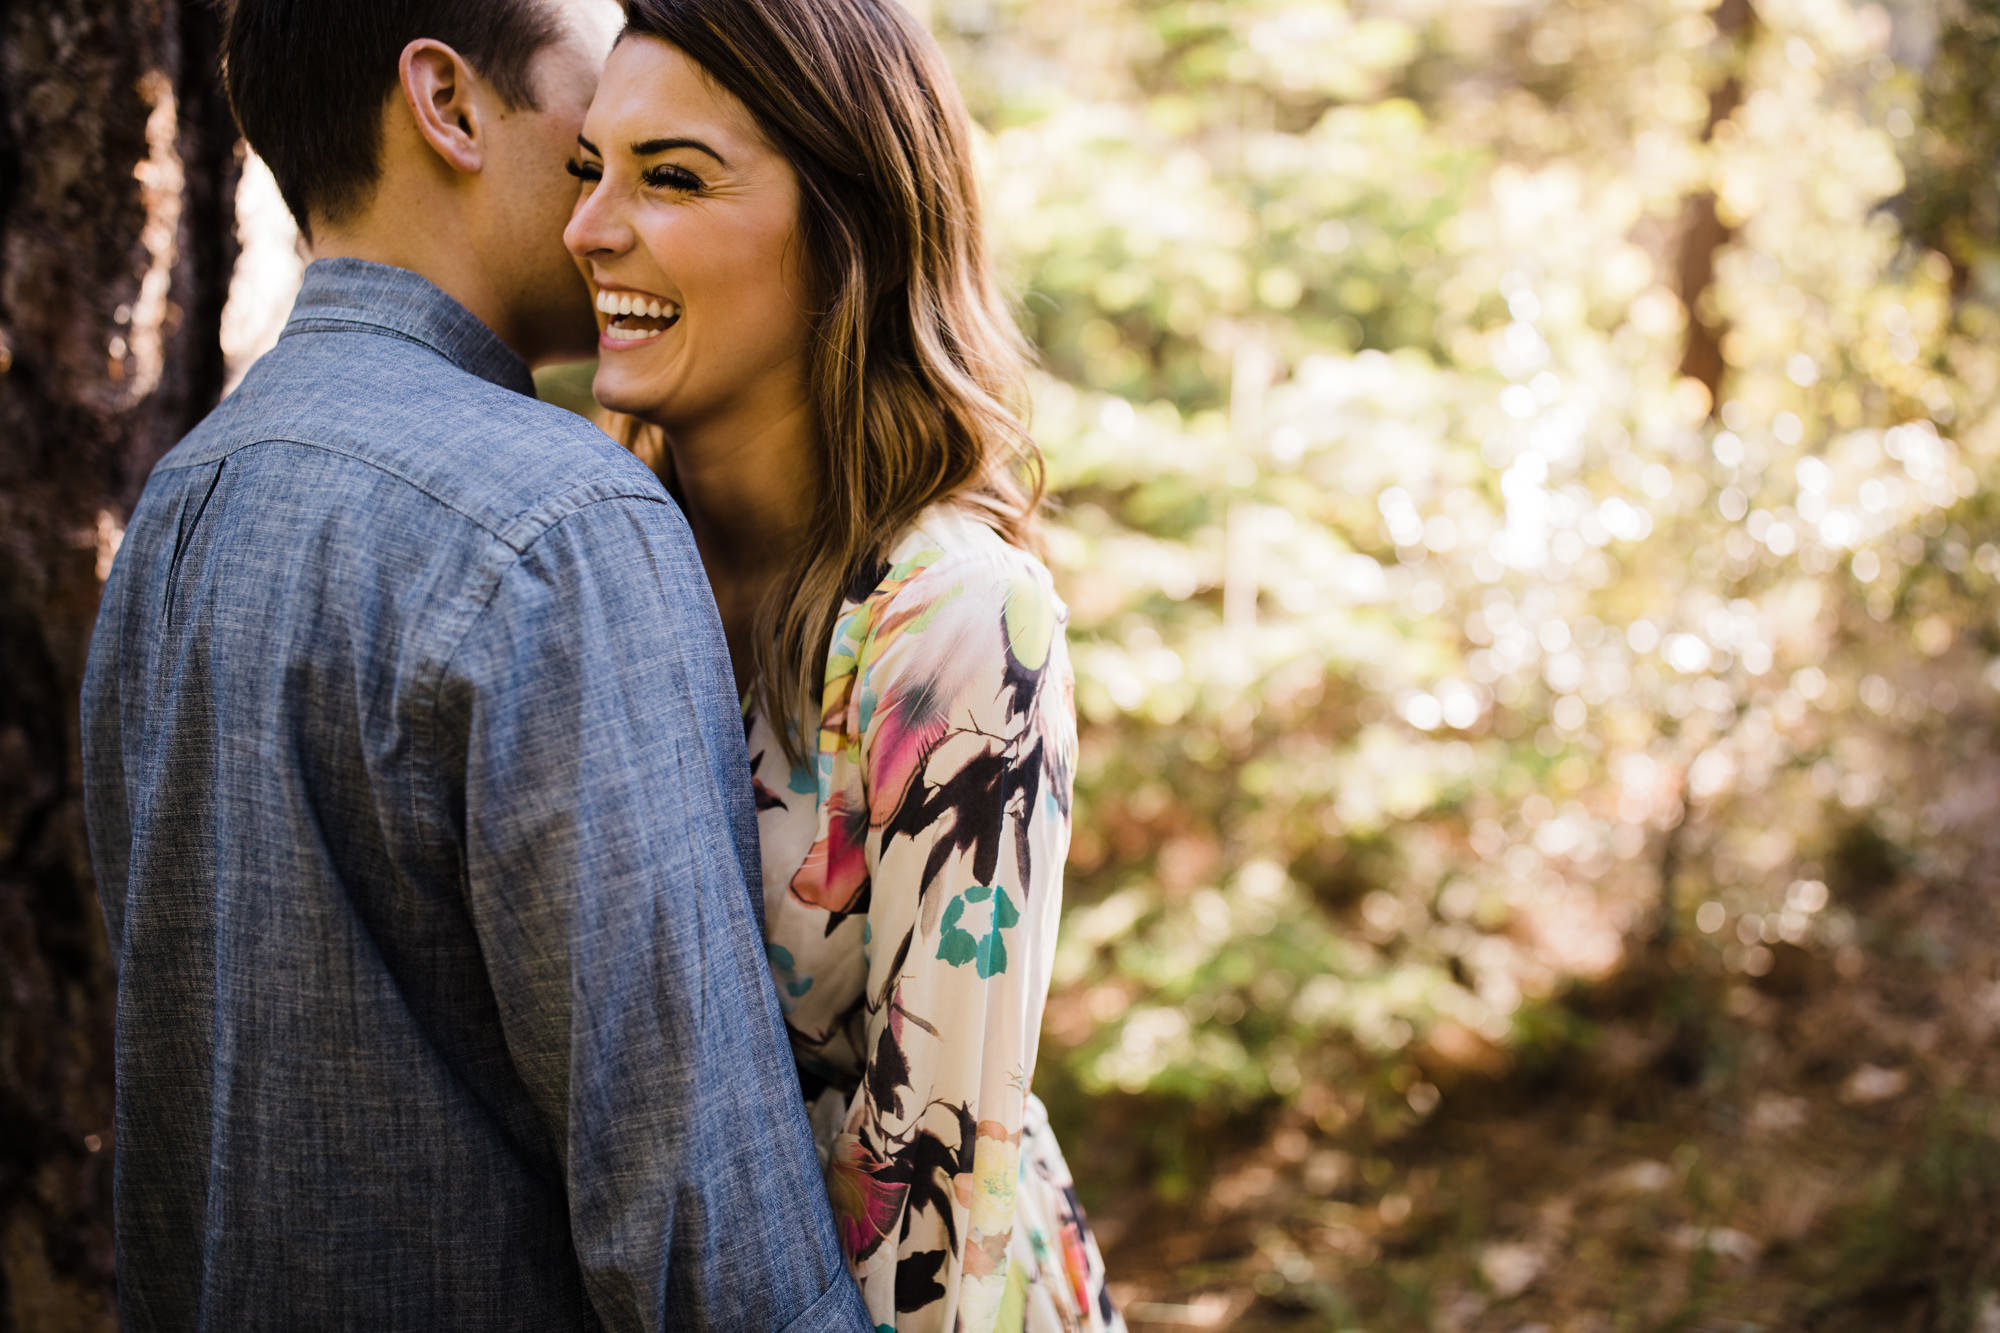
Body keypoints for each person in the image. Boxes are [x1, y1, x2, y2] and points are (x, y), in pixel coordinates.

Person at [79, 0, 868, 1327]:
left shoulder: (174, 509)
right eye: (587, 111)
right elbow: (700, 1226)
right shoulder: (565, 522)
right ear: (447, 105)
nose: (608, 171)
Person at [563, 2, 1122, 1329]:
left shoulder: (960, 624)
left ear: (845, 226)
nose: (589, 226)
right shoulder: (593, 563)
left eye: (673, 176)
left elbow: (943, 1196)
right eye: (589, 167)